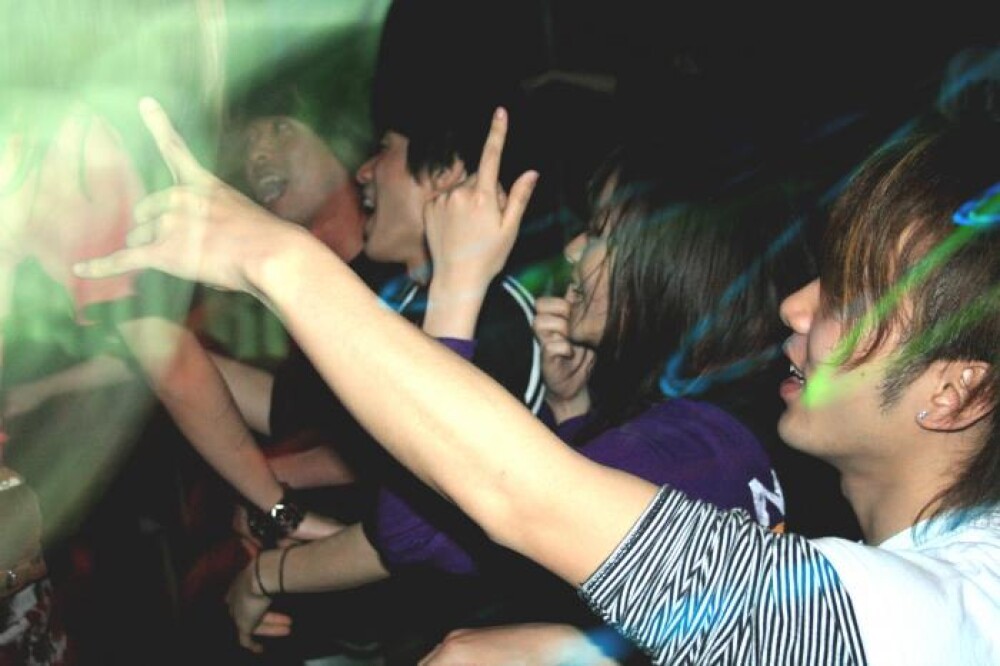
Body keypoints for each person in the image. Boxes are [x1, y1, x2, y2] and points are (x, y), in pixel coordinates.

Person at [80, 100, 1000, 664]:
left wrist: (276, 259)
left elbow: (482, 510)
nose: (797, 304)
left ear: (956, 392)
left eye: (853, 300)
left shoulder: (925, 628)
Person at [221, 144, 806, 658]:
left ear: (674, 261)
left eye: (601, 231)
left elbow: (414, 530)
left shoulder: (686, 448)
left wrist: (457, 287)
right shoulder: (716, 433)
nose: (575, 249)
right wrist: (572, 409)